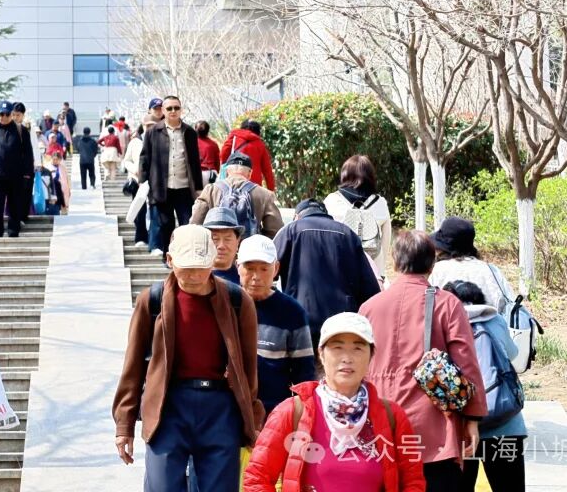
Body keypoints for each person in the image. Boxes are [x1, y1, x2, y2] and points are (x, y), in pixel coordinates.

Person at [112, 226, 262, 492]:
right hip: (168, 406)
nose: (193, 275)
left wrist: (252, 422)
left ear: (213, 260)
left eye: (201, 267)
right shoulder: (152, 301)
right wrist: (124, 424)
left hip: (220, 408)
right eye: (185, 267)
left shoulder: (238, 302)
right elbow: (133, 365)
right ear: (170, 261)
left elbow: (249, 370)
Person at [358, 231, 487, 491]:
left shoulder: (369, 307)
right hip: (434, 430)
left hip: (381, 424)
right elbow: (467, 364)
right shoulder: (447, 304)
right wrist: (472, 418)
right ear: (432, 264)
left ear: (395, 261)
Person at [244, 313, 426, 492]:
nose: (347, 358)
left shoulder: (393, 416)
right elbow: (256, 478)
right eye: (337, 347)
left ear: (371, 356)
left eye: (358, 348)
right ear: (321, 354)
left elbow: (413, 481)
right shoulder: (292, 412)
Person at [443, 281, 527, 492]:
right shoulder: (495, 320)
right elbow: (514, 356)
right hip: (505, 423)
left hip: (461, 430)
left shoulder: (444, 323)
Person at [274, 199, 382, 347]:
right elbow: (370, 289)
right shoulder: (347, 234)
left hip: (300, 319)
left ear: (297, 216)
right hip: (342, 323)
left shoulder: (291, 230)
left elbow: (267, 271)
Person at [235, 236, 316, 415]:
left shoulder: (292, 312)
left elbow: (304, 373)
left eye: (264, 269)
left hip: (275, 413)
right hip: (229, 411)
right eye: (249, 268)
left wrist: (304, 413)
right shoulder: (226, 304)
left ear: (276, 268)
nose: (256, 277)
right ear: (237, 267)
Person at [138, 95, 203, 256]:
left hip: (184, 188)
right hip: (161, 187)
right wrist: (143, 181)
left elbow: (195, 162)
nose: (173, 111)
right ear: (163, 111)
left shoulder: (189, 132)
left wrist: (199, 187)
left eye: (176, 108)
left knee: (187, 223)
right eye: (169, 108)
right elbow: (144, 158)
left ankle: (185, 255)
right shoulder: (153, 131)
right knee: (164, 225)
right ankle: (168, 257)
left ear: (181, 110)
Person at [323, 155, 393, 279]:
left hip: (339, 271)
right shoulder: (380, 203)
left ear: (344, 175)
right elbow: (385, 242)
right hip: (372, 273)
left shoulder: (332, 201)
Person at [428, 217, 515, 314]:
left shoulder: (436, 271)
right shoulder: (491, 270)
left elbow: (427, 308)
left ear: (442, 248)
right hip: (489, 327)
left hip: (450, 327)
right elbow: (510, 305)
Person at [190, 152, 283, 239]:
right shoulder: (264, 194)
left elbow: (195, 223)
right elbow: (275, 230)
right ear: (250, 173)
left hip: (218, 249)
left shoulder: (210, 190)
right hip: (249, 252)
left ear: (227, 171)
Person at [0, 100, 35, 238]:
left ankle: (13, 232)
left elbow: (28, 154)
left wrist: (27, 173)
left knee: (15, 206)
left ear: (11, 114)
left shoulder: (21, 131)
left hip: (16, 176)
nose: (3, 117)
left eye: (7, 114)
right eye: (1, 114)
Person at [122, 115, 156, 248]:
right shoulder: (135, 142)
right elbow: (126, 161)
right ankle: (140, 237)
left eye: (152, 126)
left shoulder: (160, 140)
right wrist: (134, 169)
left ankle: (154, 239)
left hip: (155, 180)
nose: (150, 128)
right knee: (139, 210)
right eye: (148, 126)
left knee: (155, 211)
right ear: (142, 126)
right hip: (138, 181)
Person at [220, 119, 275, 191]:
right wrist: (271, 189)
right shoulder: (260, 144)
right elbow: (267, 170)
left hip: (234, 183)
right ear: (257, 130)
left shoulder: (233, 138)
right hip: (254, 187)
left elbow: (223, 156)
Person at [200, 207, 244, 284]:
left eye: (227, 239)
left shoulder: (245, 279)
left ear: (238, 241)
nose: (221, 246)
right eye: (215, 239)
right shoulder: (193, 279)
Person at [194, 121, 220, 186]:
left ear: (195, 130)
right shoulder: (213, 144)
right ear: (208, 131)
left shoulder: (191, 143)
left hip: (197, 173)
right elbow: (217, 162)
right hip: (212, 174)